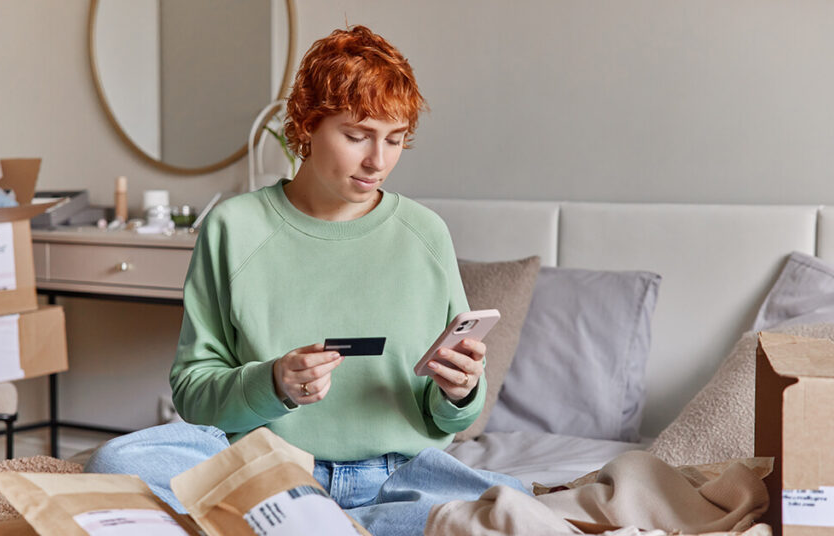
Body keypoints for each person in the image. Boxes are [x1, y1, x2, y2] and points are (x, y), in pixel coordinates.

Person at [85, 25, 527, 534]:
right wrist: (272, 382)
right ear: (307, 124)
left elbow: (447, 419)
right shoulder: (235, 227)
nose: (376, 161)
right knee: (119, 462)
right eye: (357, 135)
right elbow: (192, 391)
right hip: (269, 469)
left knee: (510, 501)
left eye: (395, 139)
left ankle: (317, 525)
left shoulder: (426, 234)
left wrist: (460, 392)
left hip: (398, 478)